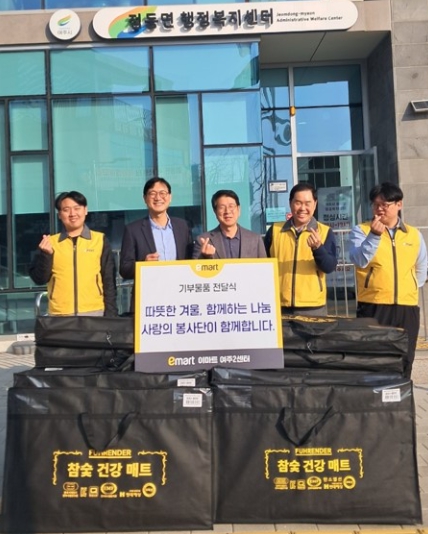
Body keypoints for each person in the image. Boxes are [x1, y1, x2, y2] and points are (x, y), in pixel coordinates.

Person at [349, 182, 427, 378]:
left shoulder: (414, 235)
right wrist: (374, 236)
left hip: (406, 307)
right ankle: (373, 396)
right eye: (375, 204)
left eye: (385, 204)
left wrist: (408, 287)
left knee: (405, 357)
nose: (379, 209)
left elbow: (421, 268)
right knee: (373, 357)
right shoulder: (361, 230)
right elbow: (359, 260)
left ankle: (402, 394)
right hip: (373, 305)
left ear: (399, 204)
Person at [29, 191, 117, 317]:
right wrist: (46, 255)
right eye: (66, 210)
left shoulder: (99, 240)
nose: (72, 214)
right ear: (59, 215)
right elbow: (39, 279)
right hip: (60, 315)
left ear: (85, 210)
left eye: (77, 208)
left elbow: (109, 280)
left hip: (94, 312)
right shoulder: (50, 243)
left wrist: (111, 314)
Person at [264, 182, 337, 316]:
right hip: (279, 305)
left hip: (313, 307)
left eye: (307, 203)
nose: (302, 208)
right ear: (290, 203)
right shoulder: (275, 230)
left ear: (315, 204)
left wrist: (318, 248)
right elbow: (263, 265)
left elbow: (329, 267)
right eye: (298, 203)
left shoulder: (325, 231)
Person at [119, 176, 193, 288]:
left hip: (178, 291)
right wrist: (143, 265)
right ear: (145, 198)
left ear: (170, 197)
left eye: (163, 193)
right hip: (149, 293)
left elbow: (191, 261)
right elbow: (124, 269)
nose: (158, 198)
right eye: (152, 193)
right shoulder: (133, 230)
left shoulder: (183, 226)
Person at [193, 190, 266, 259]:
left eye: (231, 206)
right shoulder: (203, 241)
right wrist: (205, 257)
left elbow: (265, 266)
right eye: (222, 207)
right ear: (215, 211)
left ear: (238, 209)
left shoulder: (255, 239)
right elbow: (194, 267)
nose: (227, 211)